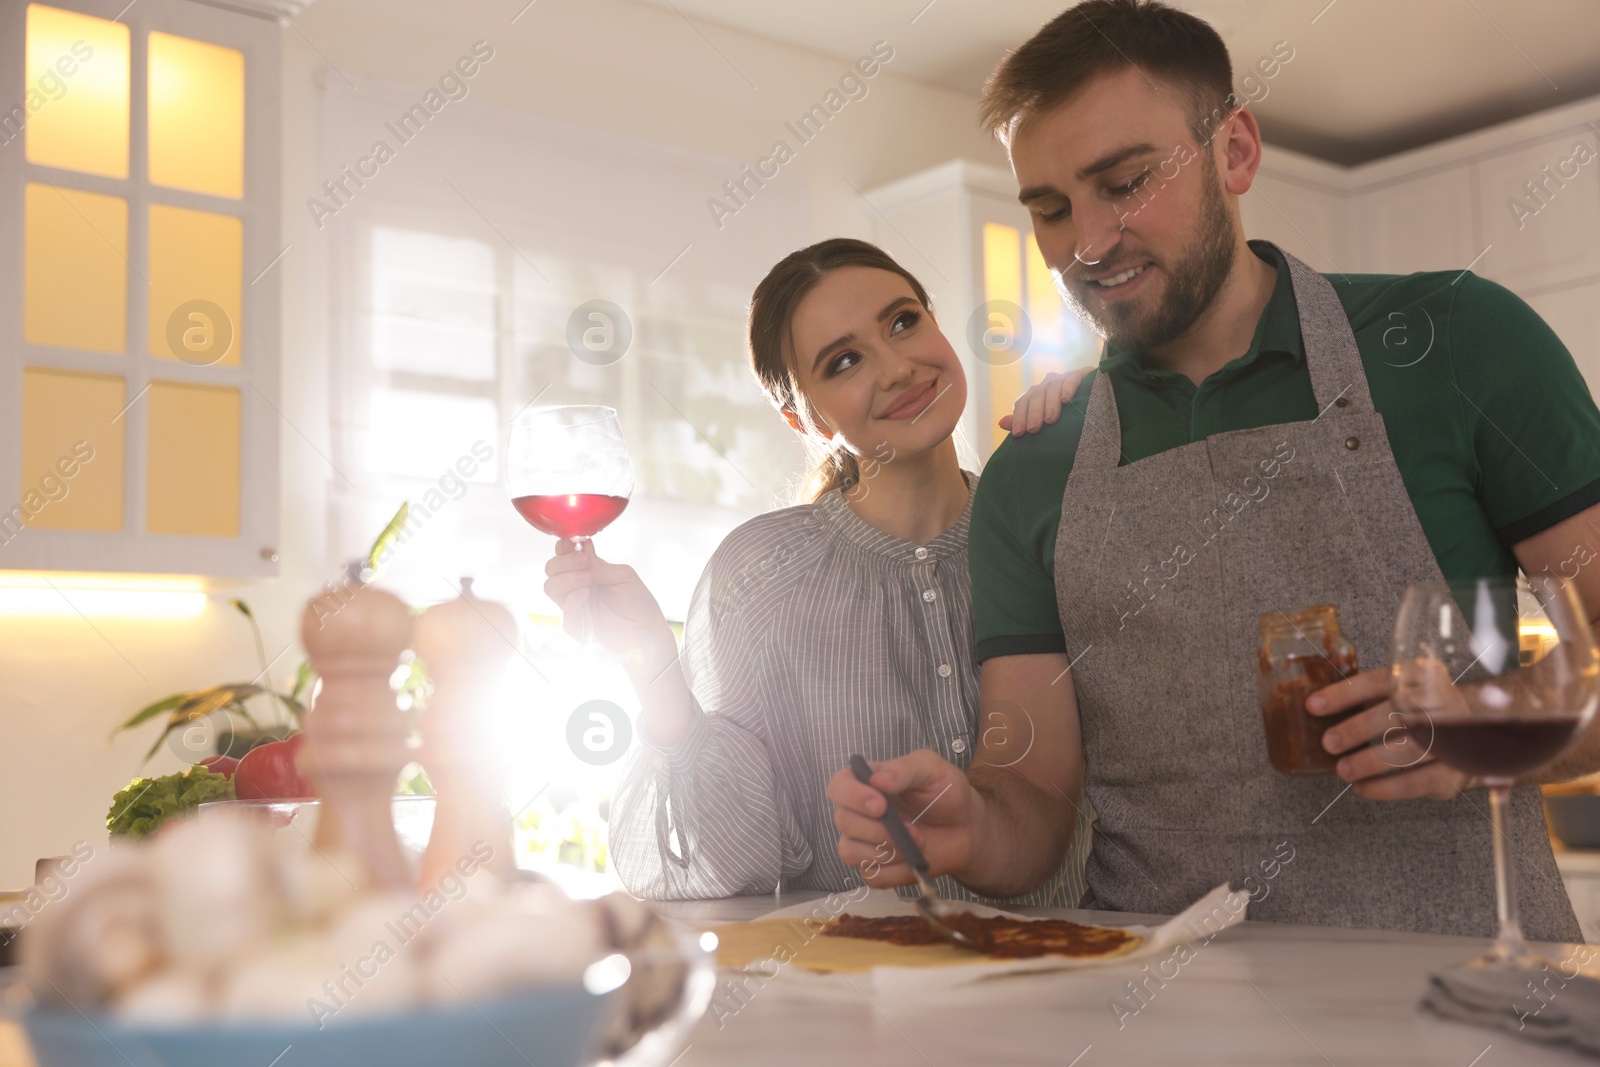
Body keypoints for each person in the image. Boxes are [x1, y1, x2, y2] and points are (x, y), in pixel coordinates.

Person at [828, 0, 1600, 940]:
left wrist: (1493, 717)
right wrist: (972, 821)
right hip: (1155, 1010)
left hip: (1463, 988)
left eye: (1126, 181)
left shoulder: (1457, 343)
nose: (1087, 243)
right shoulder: (1031, 468)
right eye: (1050, 209)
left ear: (1234, 152)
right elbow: (1030, 790)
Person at [543, 237, 1091, 902]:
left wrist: (1098, 437)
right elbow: (720, 868)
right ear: (801, 416)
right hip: (858, 992)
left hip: (1075, 980)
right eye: (845, 360)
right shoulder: (757, 576)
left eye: (903, 320)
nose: (897, 366)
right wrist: (652, 664)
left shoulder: (1054, 523)